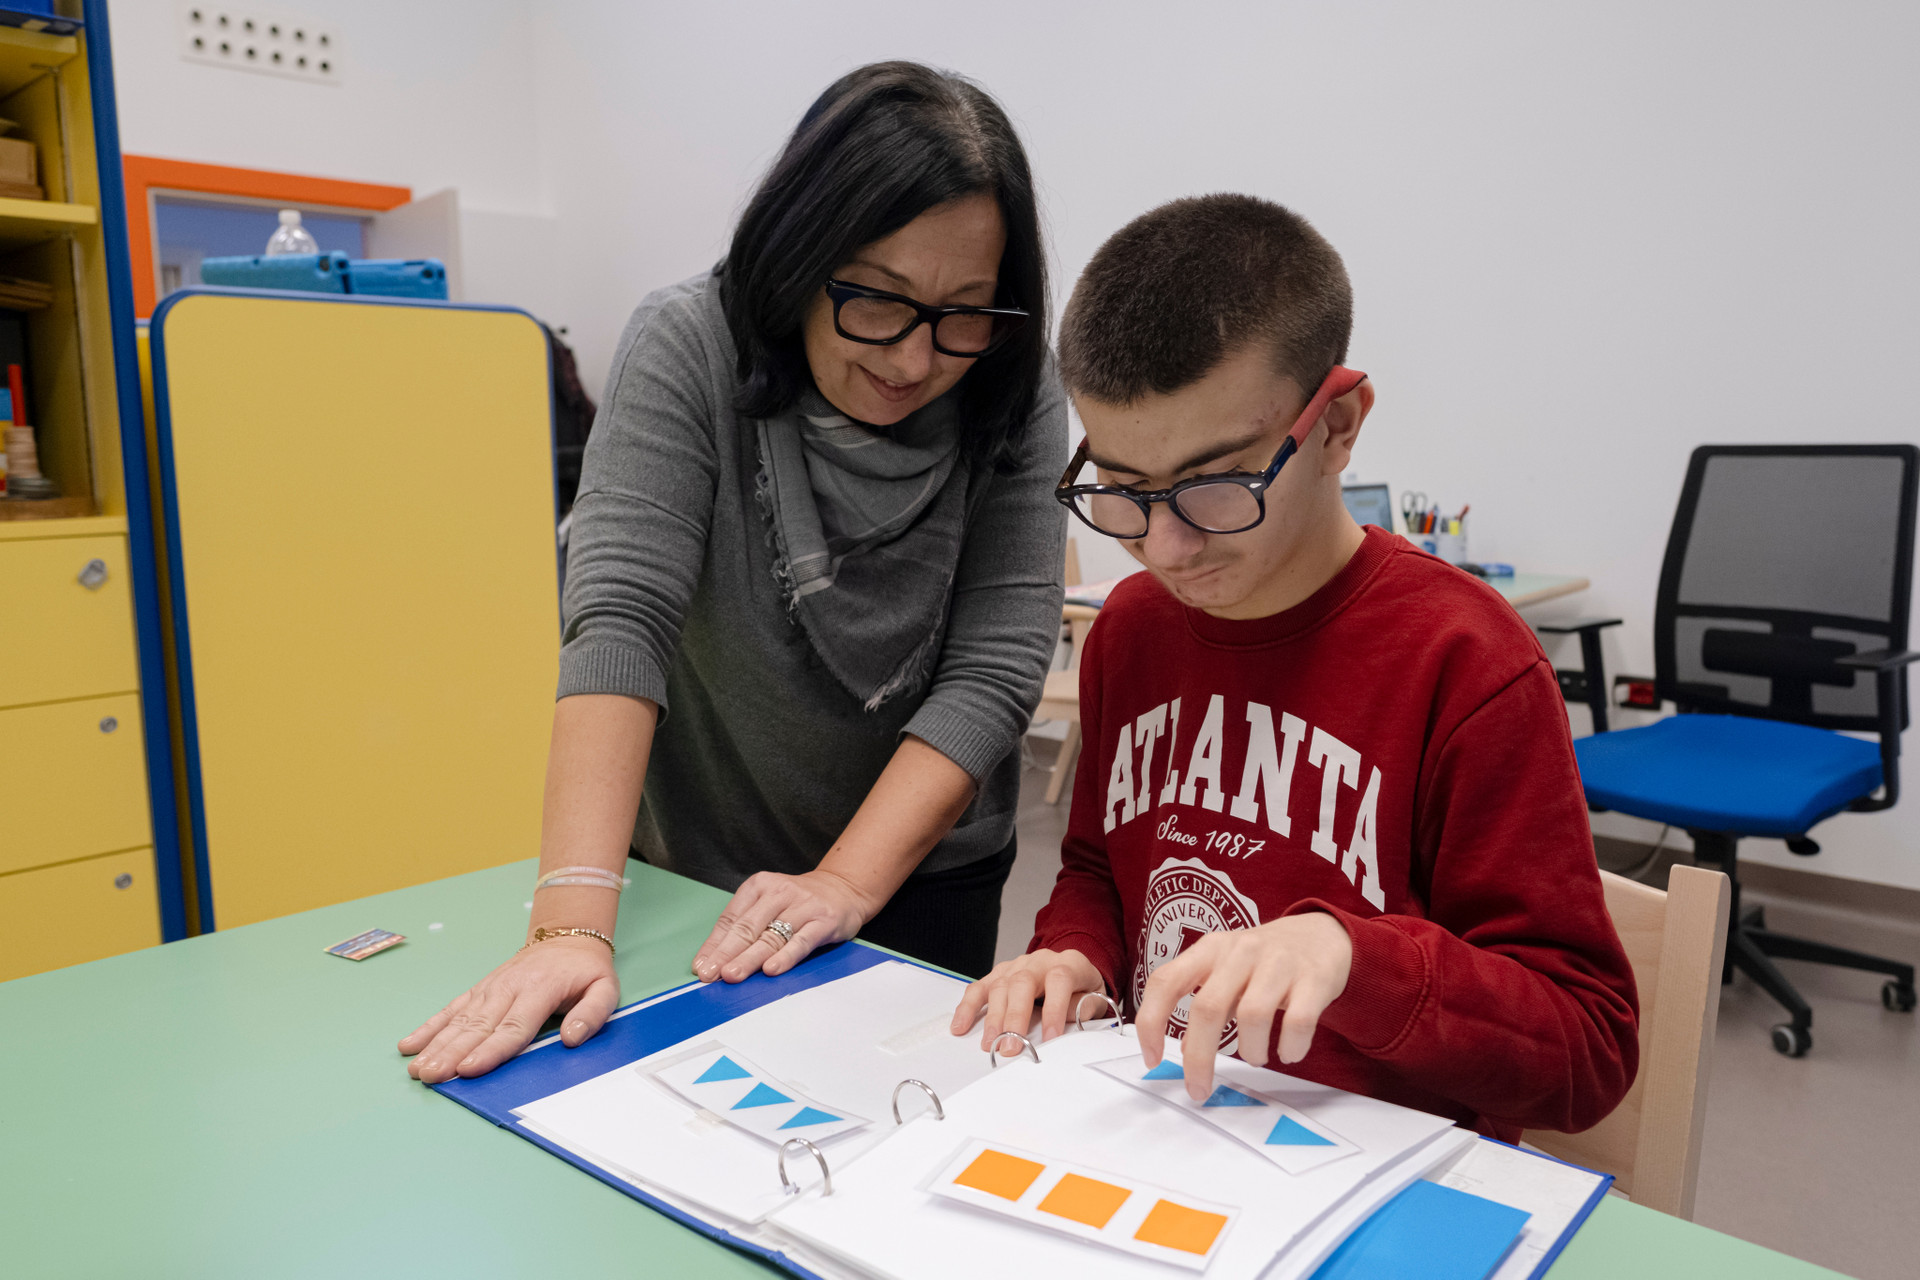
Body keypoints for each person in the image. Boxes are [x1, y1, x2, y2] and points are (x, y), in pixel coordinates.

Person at [401, 62, 1066, 1085]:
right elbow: (621, 620)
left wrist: (847, 878)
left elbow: (995, 665)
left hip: (923, 869)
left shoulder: (1013, 388)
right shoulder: (692, 345)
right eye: (877, 300)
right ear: (800, 255)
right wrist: (569, 925)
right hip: (704, 873)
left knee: (889, 1155)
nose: (913, 357)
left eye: (964, 313)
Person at [951, 194, 1638, 1139]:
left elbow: (1586, 1050)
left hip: (1366, 1176)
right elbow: (1101, 870)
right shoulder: (1134, 630)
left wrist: (1359, 958)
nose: (1166, 547)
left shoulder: (1467, 662)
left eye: (1216, 486)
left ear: (1339, 425)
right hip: (1165, 1136)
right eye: (1122, 490)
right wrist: (1075, 954)